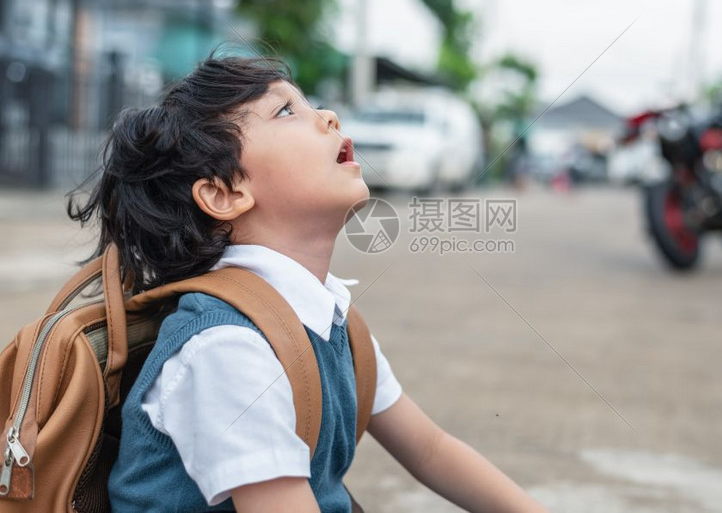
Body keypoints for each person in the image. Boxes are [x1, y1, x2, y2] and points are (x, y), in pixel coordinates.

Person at [69, 51, 548, 512]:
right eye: (285, 111)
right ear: (224, 193)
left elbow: (431, 450)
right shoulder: (224, 350)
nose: (330, 116)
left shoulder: (331, 319)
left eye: (309, 103)